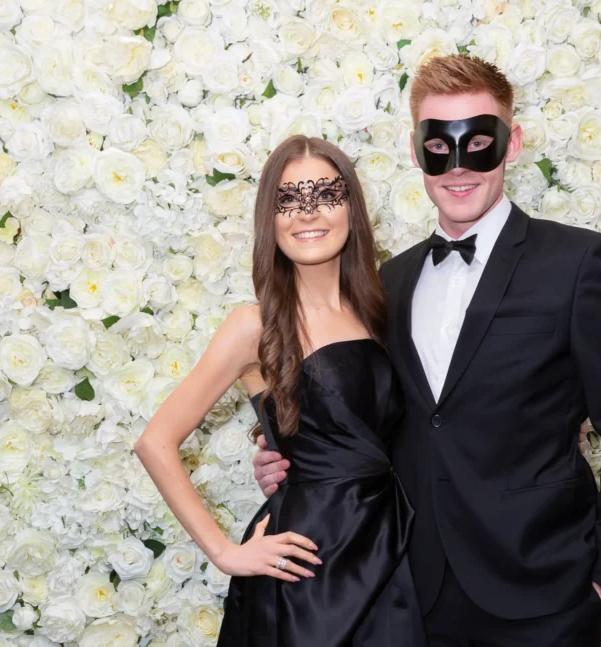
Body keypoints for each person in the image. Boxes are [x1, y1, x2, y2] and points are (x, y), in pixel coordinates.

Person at [253, 55, 601, 646]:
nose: (457, 167)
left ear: (511, 143)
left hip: (545, 593)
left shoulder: (578, 263)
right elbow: (369, 414)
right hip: (410, 592)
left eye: (477, 143)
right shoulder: (386, 284)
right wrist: (292, 457)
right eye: (438, 146)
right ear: (415, 150)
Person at [134, 135, 426, 646]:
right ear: (269, 219)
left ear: (352, 209)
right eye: (288, 200)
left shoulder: (379, 310)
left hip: (392, 544)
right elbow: (155, 442)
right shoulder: (253, 326)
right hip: (306, 567)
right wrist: (225, 552)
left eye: (326, 194)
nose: (307, 212)